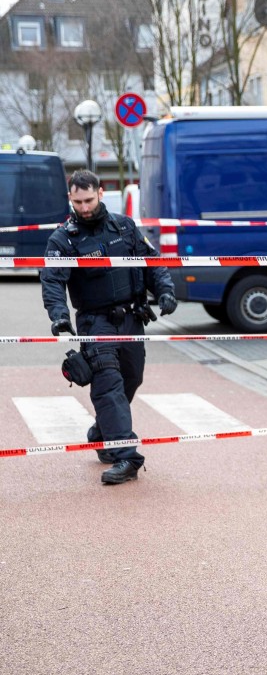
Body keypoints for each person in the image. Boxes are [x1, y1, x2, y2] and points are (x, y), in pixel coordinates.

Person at [41, 170, 177, 485]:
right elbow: (52, 280)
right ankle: (126, 455)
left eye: (89, 200)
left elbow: (151, 262)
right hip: (94, 322)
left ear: (101, 193)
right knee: (107, 384)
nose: (84, 207)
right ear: (70, 199)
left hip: (131, 318)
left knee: (132, 377)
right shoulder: (63, 238)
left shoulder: (124, 226)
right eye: (78, 202)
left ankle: (103, 431)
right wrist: (59, 315)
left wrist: (165, 290)